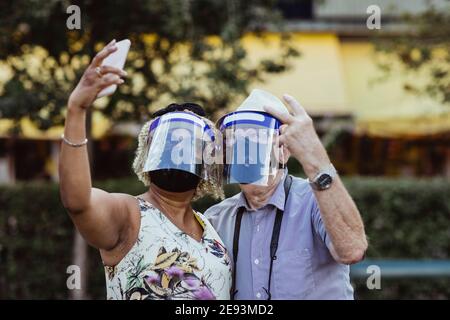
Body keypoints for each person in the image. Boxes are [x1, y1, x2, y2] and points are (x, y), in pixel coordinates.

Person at [59, 40, 231, 300]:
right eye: (170, 143)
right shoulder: (130, 215)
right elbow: (77, 202)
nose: (179, 152)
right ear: (148, 155)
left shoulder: (210, 226)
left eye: (190, 146)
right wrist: (77, 110)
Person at [205, 89, 368, 300]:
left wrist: (315, 157)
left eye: (257, 140)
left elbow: (353, 250)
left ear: (284, 150)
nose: (246, 152)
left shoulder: (316, 200)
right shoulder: (215, 219)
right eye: (237, 141)